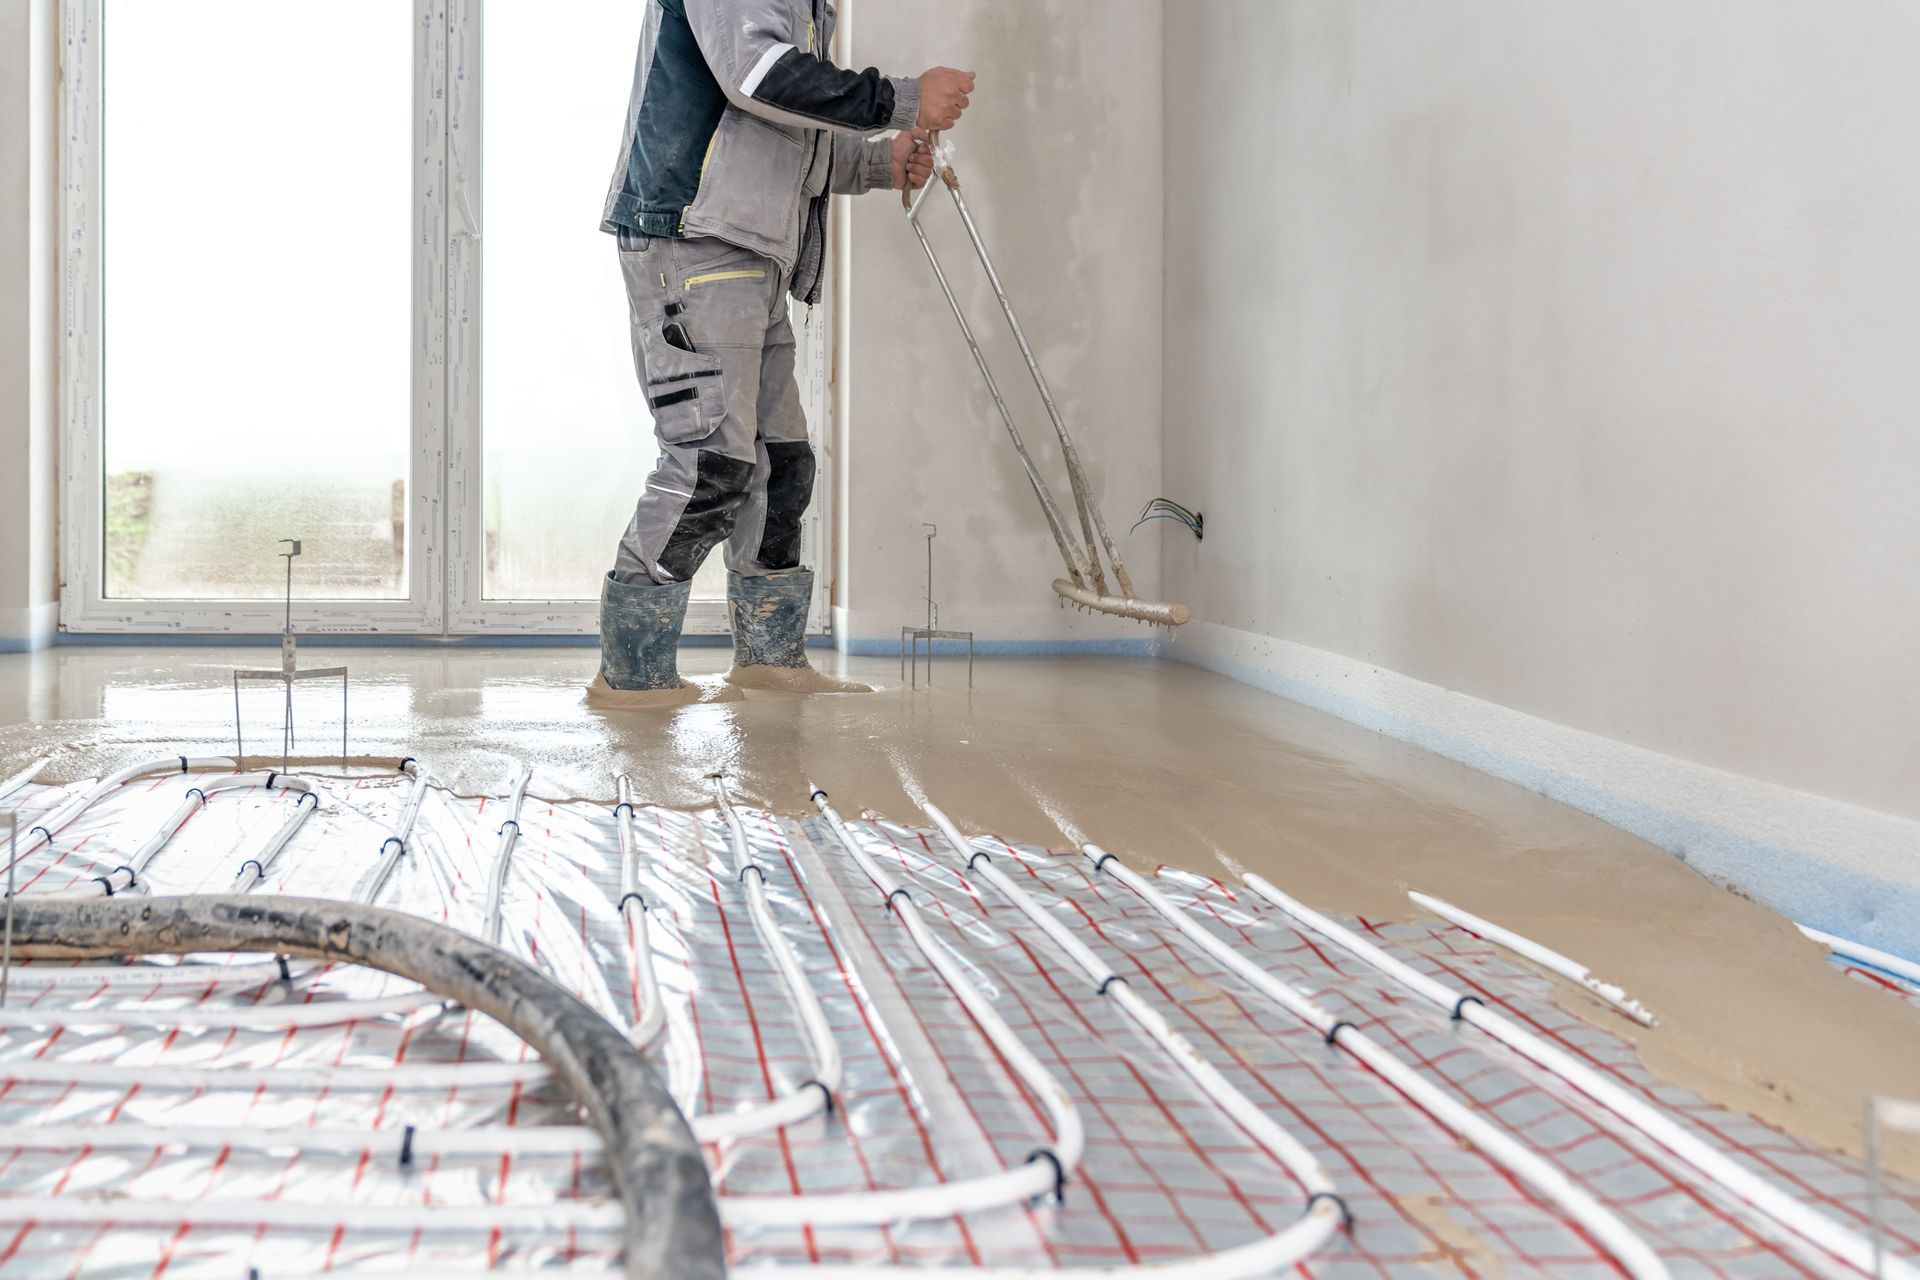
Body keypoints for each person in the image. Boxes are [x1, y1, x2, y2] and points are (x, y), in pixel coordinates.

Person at [596, 0, 973, 695]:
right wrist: (906, 99)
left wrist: (876, 163)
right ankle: (633, 679)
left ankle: (769, 667)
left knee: (781, 465)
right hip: (695, 238)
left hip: (747, 248)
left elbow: (773, 134)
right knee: (710, 465)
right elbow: (760, 76)